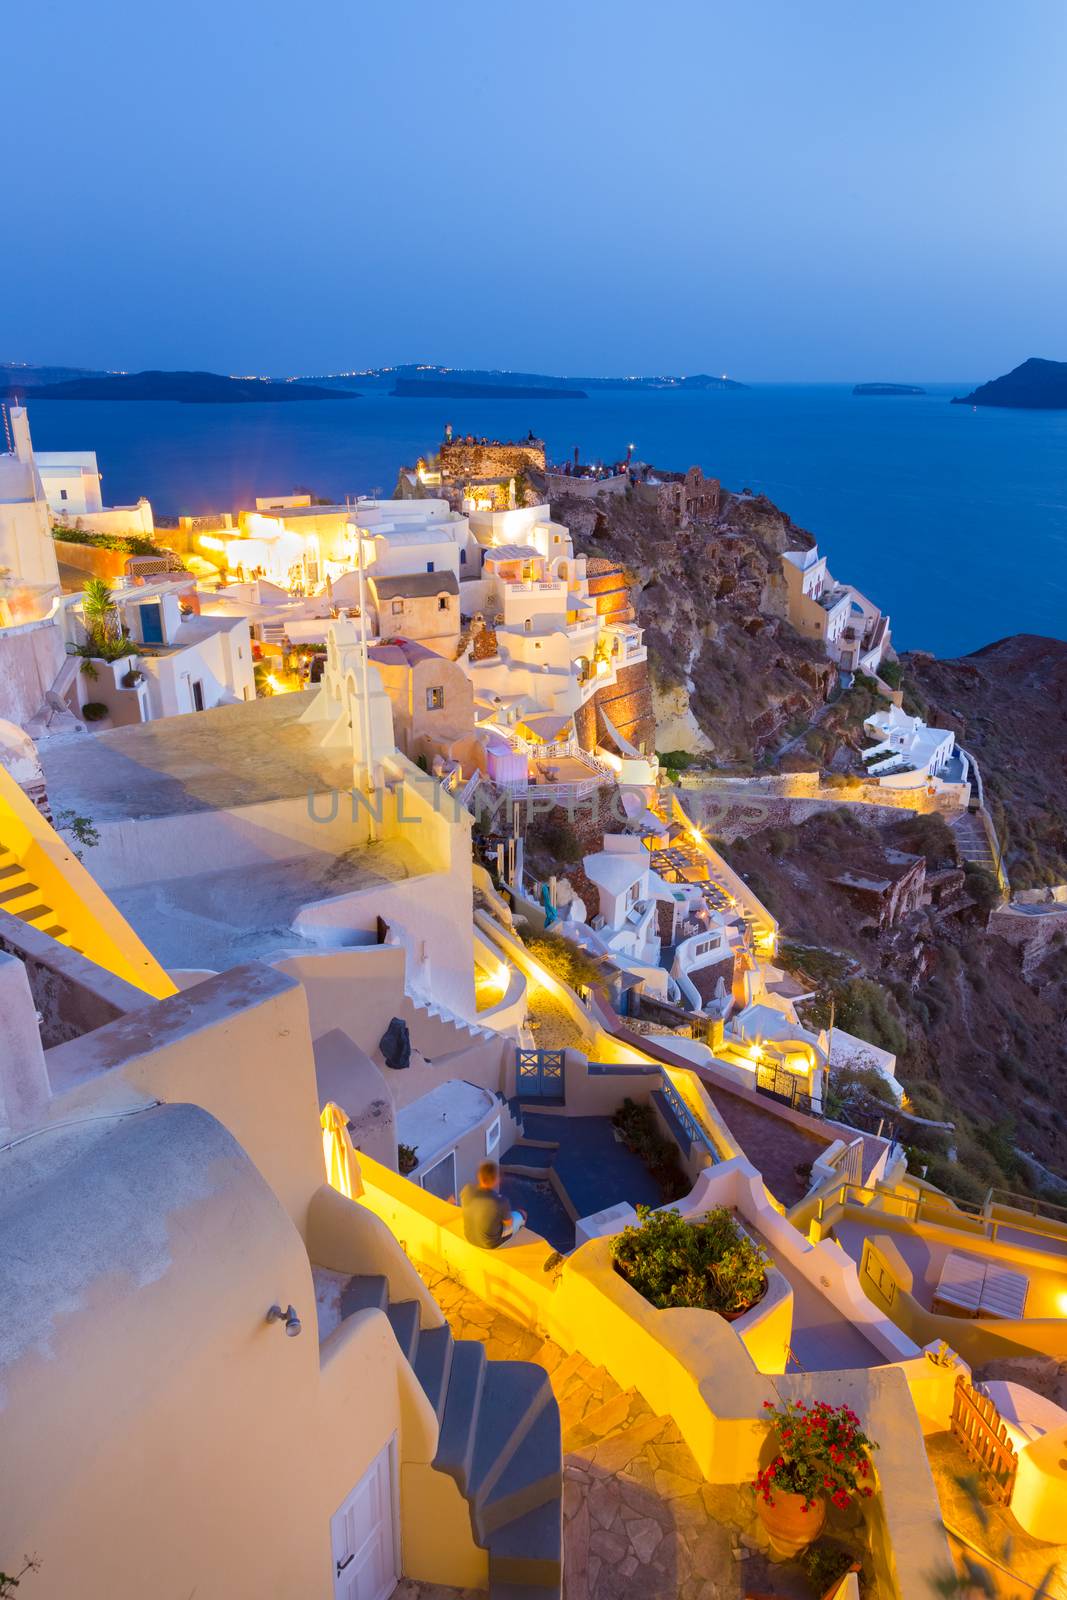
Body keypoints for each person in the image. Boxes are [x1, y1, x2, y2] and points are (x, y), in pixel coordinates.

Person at [460, 1160, 526, 1249]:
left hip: (469, 1236)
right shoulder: (501, 1201)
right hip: (490, 1244)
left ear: (479, 1176)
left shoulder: (467, 1189)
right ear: (496, 1180)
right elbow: (508, 1223)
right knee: (522, 1214)